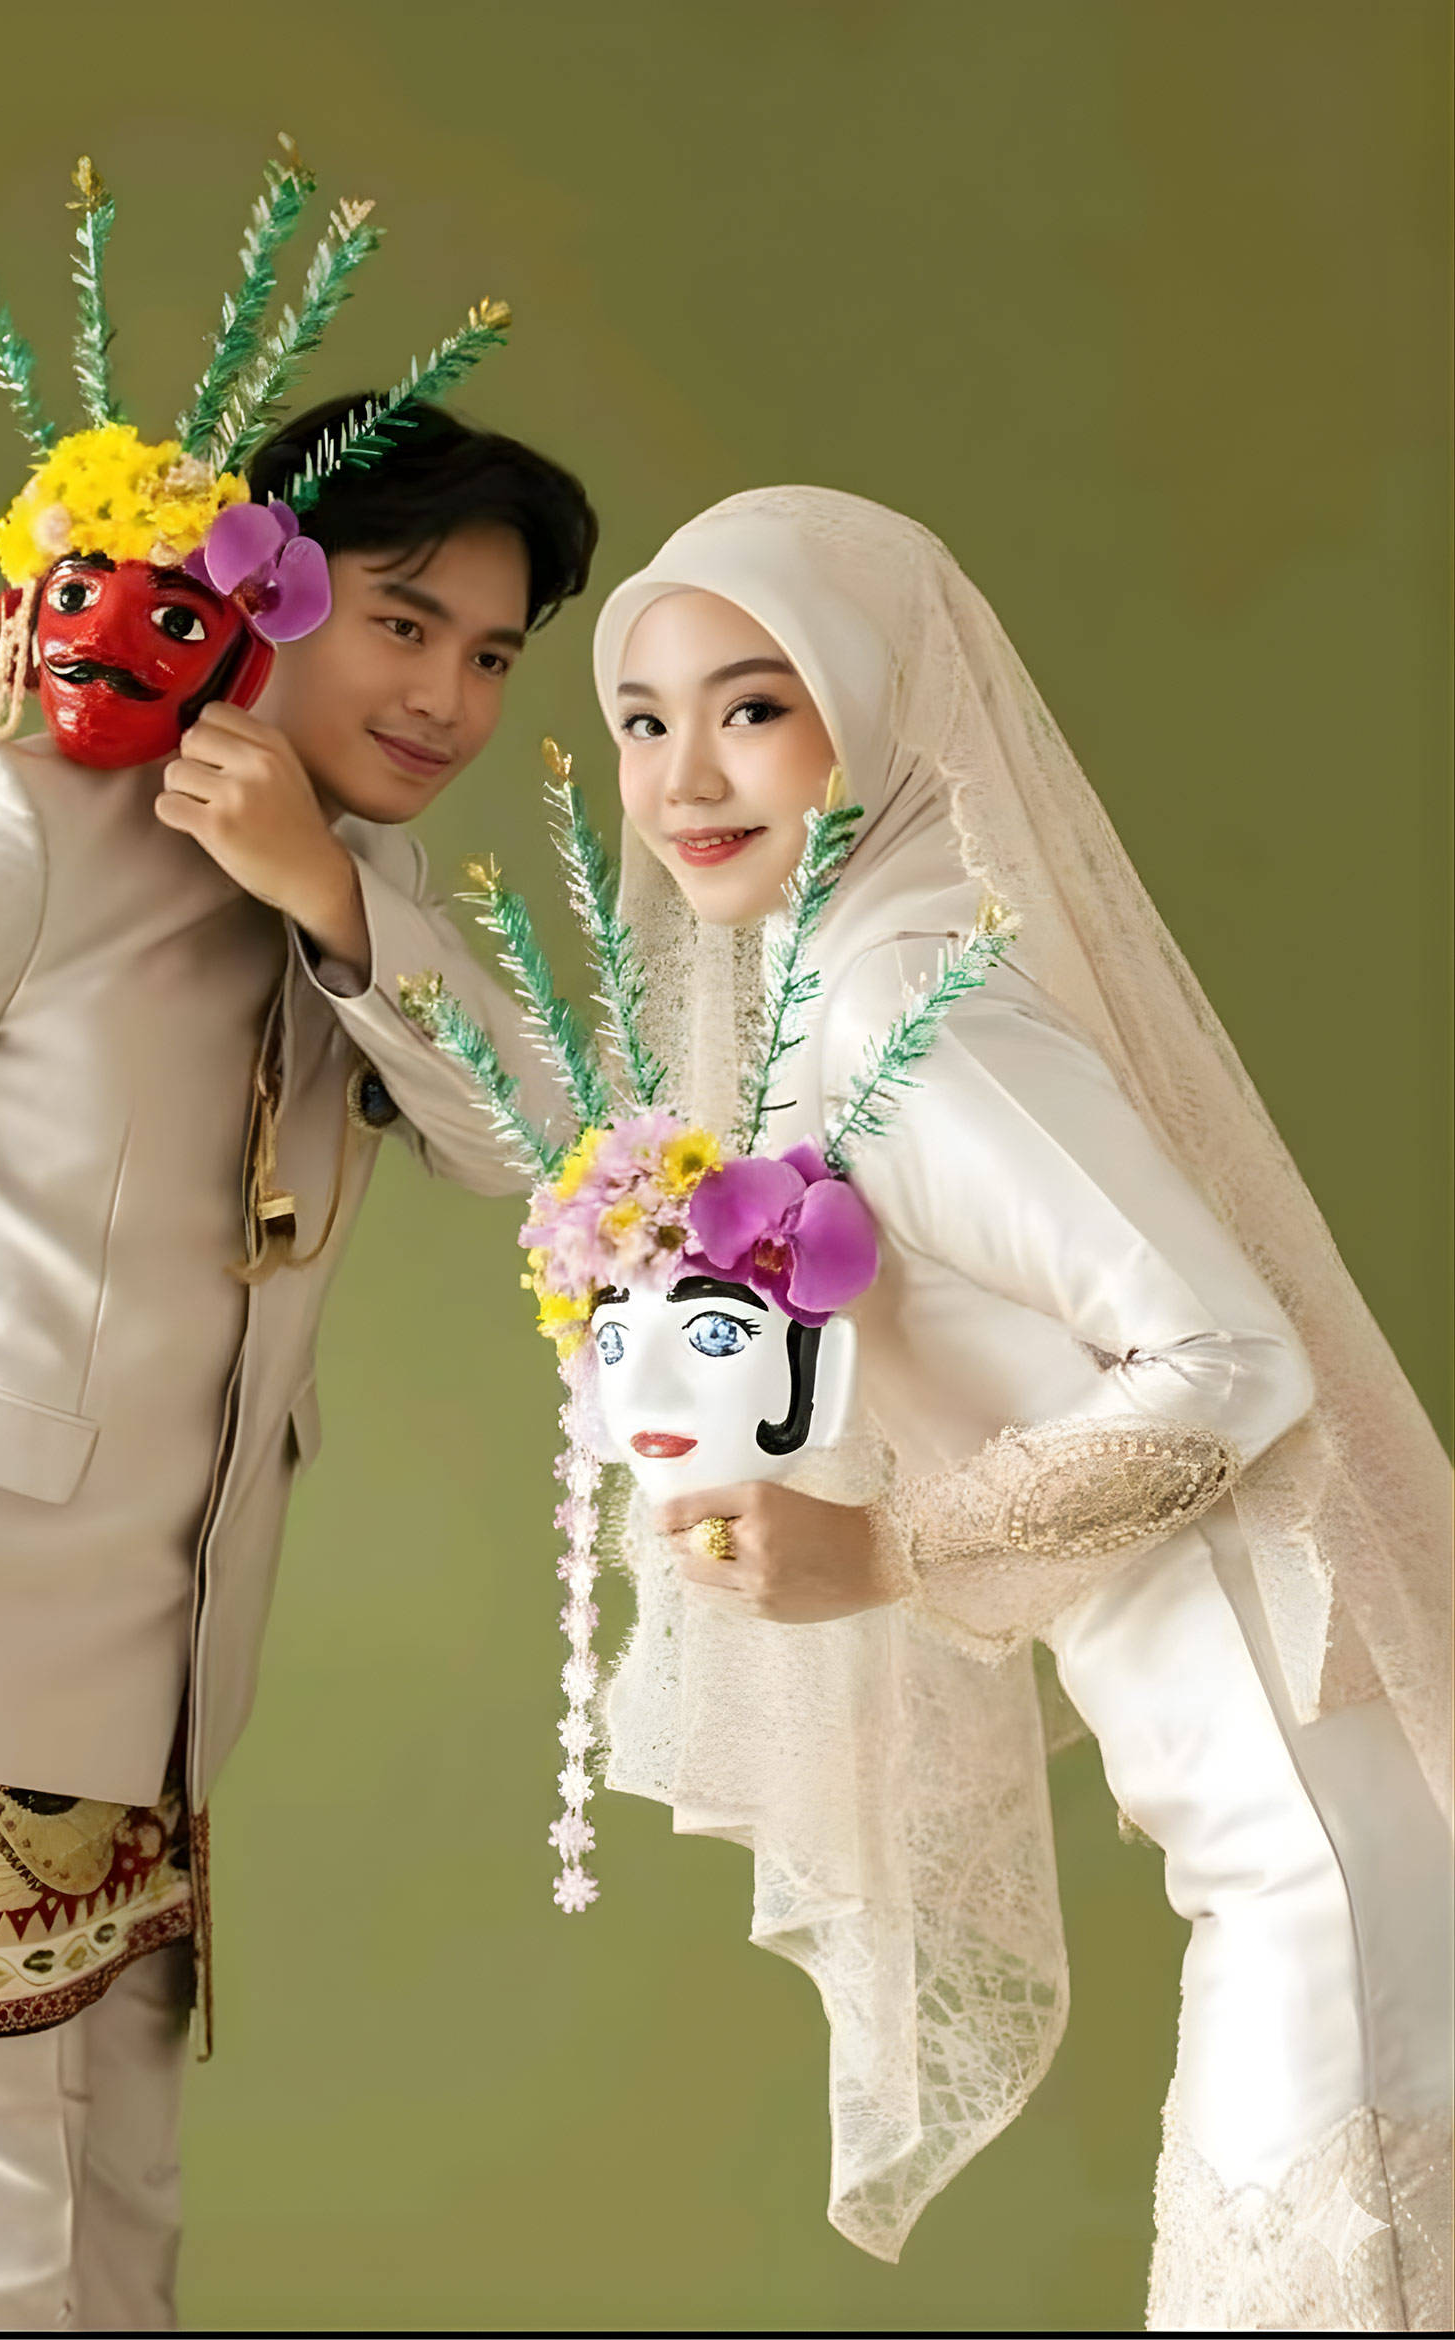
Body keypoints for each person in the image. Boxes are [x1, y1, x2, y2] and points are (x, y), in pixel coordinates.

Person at [0, 148, 593, 2332]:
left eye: (490, 654)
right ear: (266, 595)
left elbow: (540, 1156)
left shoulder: (367, 895)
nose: (448, 697)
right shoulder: (32, 821)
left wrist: (327, 897)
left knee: (118, 2256)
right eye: (401, 621)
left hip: (151, 1702)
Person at [415, 486, 1451, 2331]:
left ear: (875, 711)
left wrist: (890, 1548)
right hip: (1276, 1817)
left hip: (1317, 1837)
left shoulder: (910, 1009)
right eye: (642, 721)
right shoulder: (841, 989)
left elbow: (1231, 1359)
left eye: (755, 707)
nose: (683, 778)